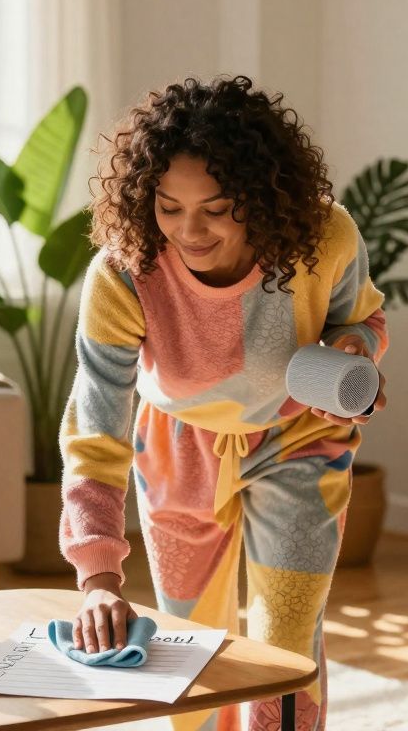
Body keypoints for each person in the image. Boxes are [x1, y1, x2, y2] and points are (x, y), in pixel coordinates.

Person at [58, 75, 389, 731]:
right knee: (190, 648)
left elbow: (363, 323)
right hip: (176, 450)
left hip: (297, 444)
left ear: (261, 196)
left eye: (216, 207)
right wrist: (97, 575)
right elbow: (97, 423)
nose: (190, 230)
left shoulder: (326, 236)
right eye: (169, 206)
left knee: (285, 650)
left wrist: (353, 353)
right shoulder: (124, 272)